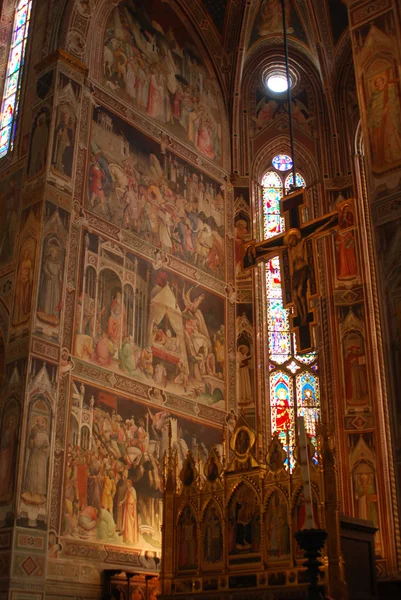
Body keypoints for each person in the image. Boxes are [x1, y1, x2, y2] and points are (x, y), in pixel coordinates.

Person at [22, 416, 50, 502]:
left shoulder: (45, 431)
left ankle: (40, 493)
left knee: (40, 474)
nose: (39, 422)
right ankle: (31, 491)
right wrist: (32, 442)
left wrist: (45, 449)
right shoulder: (33, 430)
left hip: (41, 455)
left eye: (40, 421)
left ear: (43, 422)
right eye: (37, 421)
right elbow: (29, 443)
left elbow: (47, 445)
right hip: (34, 453)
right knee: (33, 472)